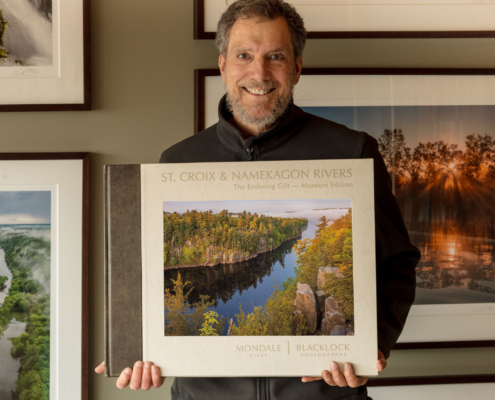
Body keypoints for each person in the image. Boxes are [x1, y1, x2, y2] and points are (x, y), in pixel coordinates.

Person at [96, 0, 420, 398]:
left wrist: (375, 342)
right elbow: (141, 280)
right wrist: (137, 351)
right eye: (244, 55)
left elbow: (398, 264)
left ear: (297, 66)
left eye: (276, 57)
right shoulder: (177, 162)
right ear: (223, 65)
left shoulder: (352, 151)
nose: (259, 72)